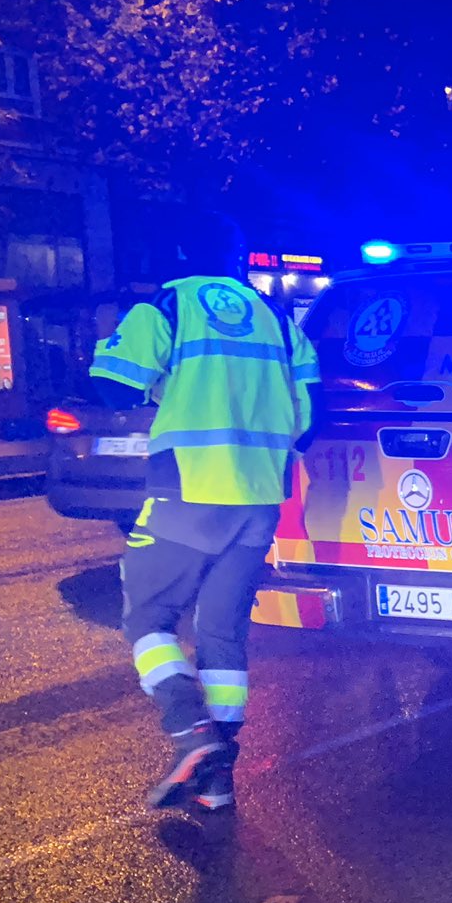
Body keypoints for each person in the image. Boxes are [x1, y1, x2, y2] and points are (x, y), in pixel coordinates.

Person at [90, 215, 320, 814]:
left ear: (179, 250)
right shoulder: (275, 320)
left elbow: (113, 385)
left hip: (187, 489)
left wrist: (131, 363)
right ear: (242, 258)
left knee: (148, 618)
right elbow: (309, 418)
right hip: (261, 496)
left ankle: (191, 734)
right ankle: (219, 779)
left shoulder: (168, 305)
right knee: (222, 636)